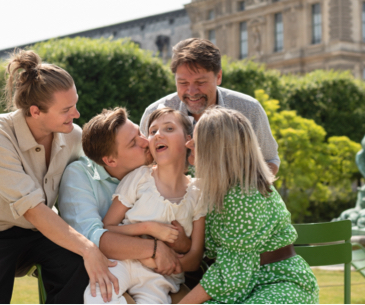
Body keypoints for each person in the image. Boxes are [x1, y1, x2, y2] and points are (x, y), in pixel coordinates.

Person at [0, 50, 117, 304]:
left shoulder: (72, 137)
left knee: (84, 274)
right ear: (35, 111)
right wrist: (87, 247)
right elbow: (33, 209)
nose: (77, 114)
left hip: (42, 232)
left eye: (75, 103)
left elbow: (105, 170)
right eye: (67, 109)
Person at [180, 107, 319, 304]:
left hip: (279, 284)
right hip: (245, 284)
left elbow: (228, 276)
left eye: (196, 139)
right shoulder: (218, 188)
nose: (188, 143)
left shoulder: (244, 197)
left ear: (215, 149)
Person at [58, 108, 188, 301]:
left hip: (159, 275)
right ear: (110, 160)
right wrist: (154, 248)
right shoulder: (79, 176)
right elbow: (93, 239)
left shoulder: (156, 173)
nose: (146, 142)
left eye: (139, 133)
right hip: (108, 270)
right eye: (133, 143)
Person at [84, 108, 206, 304]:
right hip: (125, 263)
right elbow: (107, 228)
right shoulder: (139, 178)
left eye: (169, 128)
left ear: (188, 140)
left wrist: (162, 263)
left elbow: (195, 258)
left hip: (161, 279)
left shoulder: (199, 193)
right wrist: (148, 228)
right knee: (98, 295)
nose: (158, 134)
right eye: (152, 131)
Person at [140, 38, 280, 175]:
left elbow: (270, 160)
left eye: (200, 82)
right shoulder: (153, 114)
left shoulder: (249, 110)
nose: (192, 91)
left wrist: (239, 194)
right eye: (183, 83)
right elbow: (143, 167)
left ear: (218, 76)